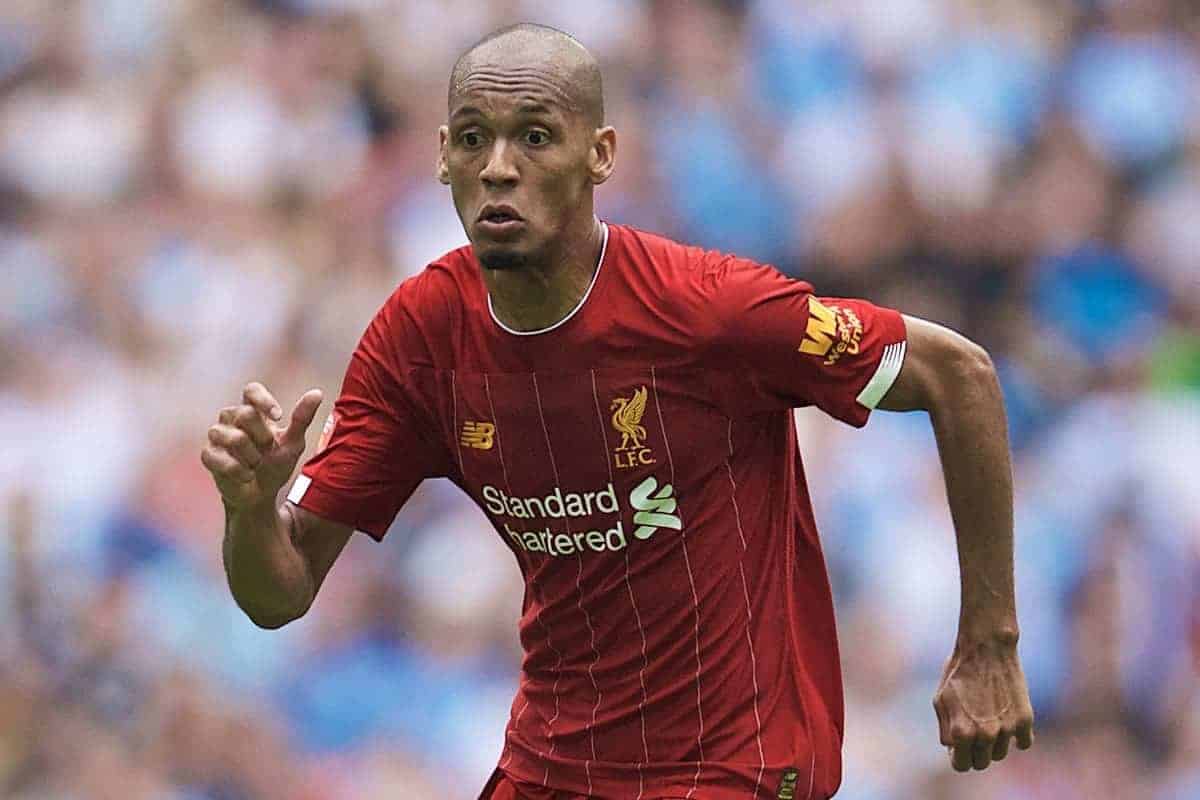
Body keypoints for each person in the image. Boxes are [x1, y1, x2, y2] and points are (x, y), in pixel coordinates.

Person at [201, 23, 1034, 800]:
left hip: (734, 769)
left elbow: (959, 375)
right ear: (442, 161)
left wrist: (989, 642)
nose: (498, 165)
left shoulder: (707, 311)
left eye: (534, 136)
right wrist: (248, 510)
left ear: (600, 155)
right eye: (471, 137)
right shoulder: (421, 340)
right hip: (552, 768)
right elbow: (279, 595)